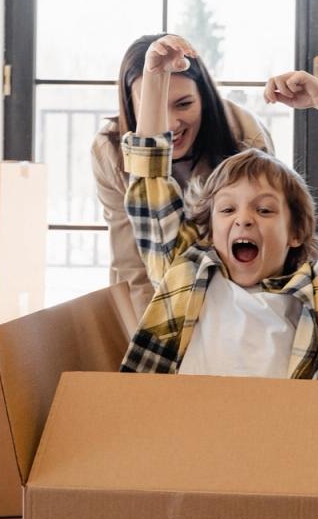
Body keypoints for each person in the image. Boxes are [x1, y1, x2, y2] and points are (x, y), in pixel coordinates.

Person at [119, 34, 318, 380]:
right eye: (226, 211)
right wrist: (155, 76)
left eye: (264, 210)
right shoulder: (185, 274)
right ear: (208, 230)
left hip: (281, 432)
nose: (244, 220)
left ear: (296, 233)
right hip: (188, 430)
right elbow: (149, 187)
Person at [91, 34, 273, 314]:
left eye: (184, 104)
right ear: (130, 104)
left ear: (205, 98)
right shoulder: (109, 151)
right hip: (160, 292)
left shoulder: (244, 132)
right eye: (152, 105)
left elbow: (267, 242)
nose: (170, 123)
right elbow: (131, 266)